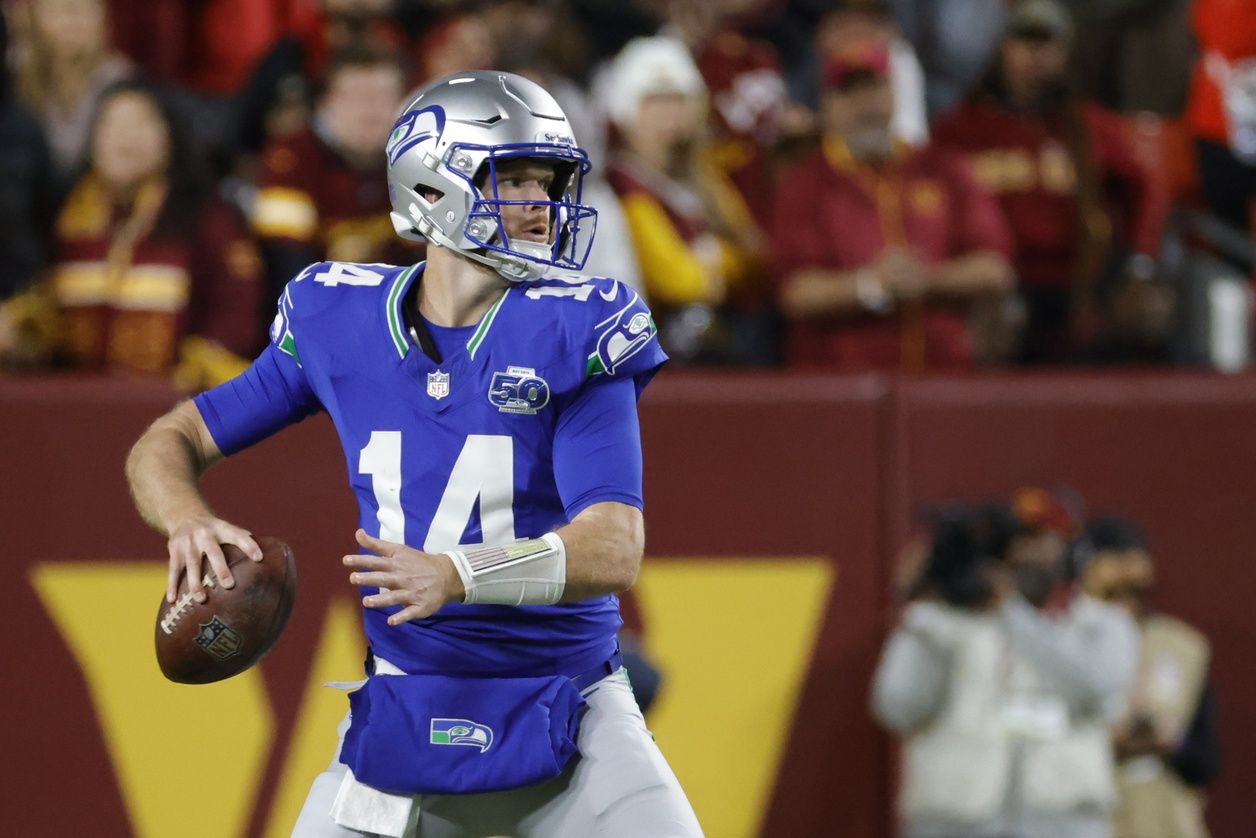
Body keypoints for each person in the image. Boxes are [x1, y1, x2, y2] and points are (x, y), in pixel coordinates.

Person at [124, 69, 702, 838]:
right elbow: (172, 438)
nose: (542, 206)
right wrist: (187, 521)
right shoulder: (340, 316)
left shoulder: (577, 326)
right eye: (514, 181)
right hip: (409, 698)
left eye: (549, 182)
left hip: (570, 698)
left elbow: (614, 545)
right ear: (432, 191)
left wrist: (457, 574)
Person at [872, 492, 1140, 838]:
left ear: (1072, 552)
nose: (1026, 554)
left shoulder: (1100, 625)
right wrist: (923, 609)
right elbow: (899, 707)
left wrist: (1014, 614)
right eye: (1017, 542)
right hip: (955, 820)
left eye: (1040, 540)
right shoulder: (945, 621)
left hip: (1062, 821)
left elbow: (1095, 687)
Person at [931, 0, 1169, 364]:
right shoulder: (961, 131)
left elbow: (1146, 193)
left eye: (1047, 44)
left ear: (1066, 52)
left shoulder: (1092, 128)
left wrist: (1138, 265)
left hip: (1076, 291)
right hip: (991, 293)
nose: (1034, 55)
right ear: (1002, 49)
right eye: (1024, 42)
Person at [0, 80, 263, 387]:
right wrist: (22, 334)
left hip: (172, 405)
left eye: (141, 122)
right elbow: (46, 309)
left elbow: (236, 309)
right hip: (76, 405)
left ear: (170, 138)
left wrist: (203, 367)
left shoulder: (208, 215)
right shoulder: (66, 214)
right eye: (111, 123)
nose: (126, 136)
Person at [773, 40, 1014, 371]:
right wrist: (871, 286)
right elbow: (796, 292)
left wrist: (927, 280)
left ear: (895, 95)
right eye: (849, 93)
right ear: (827, 104)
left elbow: (994, 267)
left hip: (942, 375)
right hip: (841, 382)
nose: (865, 106)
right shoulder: (807, 183)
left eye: (874, 90)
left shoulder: (943, 168)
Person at [603, 35, 773, 364]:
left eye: (678, 100)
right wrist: (727, 258)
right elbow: (684, 282)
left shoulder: (702, 176)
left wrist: (719, 258)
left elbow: (758, 252)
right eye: (654, 102)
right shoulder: (624, 185)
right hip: (661, 354)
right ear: (628, 111)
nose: (670, 114)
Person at [1080, 517, 1220, 838]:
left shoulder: (1181, 646)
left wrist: (1170, 742)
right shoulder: (1065, 641)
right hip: (1090, 817)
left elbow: (1206, 761)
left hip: (1165, 821)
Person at [252, 45, 419, 305]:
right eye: (356, 97)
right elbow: (288, 267)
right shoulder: (291, 159)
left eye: (385, 96)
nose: (371, 112)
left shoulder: (421, 159)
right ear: (326, 102)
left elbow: (428, 261)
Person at [12, 0, 133, 185]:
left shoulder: (122, 81)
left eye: (82, 10)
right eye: (58, 10)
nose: (70, 21)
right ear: (33, 17)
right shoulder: (13, 75)